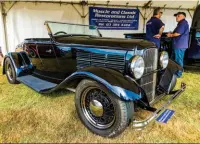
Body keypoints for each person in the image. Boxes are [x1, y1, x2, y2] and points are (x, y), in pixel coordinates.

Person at [166, 12, 189, 78]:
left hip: (180, 45)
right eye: (176, 16)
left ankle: (179, 74)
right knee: (173, 60)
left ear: (183, 17)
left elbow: (178, 33)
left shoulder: (183, 23)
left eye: (178, 16)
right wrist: (172, 33)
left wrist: (170, 35)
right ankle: (172, 72)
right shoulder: (180, 24)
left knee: (178, 60)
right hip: (177, 45)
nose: (176, 17)